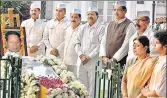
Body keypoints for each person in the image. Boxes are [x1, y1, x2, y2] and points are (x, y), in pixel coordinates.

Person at [74, 7, 105, 98]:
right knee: (81, 85)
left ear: (97, 16)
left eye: (92, 14)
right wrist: (81, 55)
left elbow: (101, 45)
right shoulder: (82, 28)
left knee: (93, 87)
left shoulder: (101, 28)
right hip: (82, 61)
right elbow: (76, 42)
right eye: (88, 14)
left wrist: (88, 57)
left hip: (94, 62)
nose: (90, 16)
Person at [99, 1, 136, 66]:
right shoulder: (109, 24)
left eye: (119, 10)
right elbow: (103, 41)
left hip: (120, 63)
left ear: (125, 11)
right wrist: (104, 56)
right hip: (106, 61)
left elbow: (126, 46)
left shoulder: (130, 25)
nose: (116, 12)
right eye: (114, 10)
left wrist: (114, 59)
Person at [140, 30, 167, 97]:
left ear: (165, 46)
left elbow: (161, 91)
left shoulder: (165, 63)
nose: (154, 45)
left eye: (157, 43)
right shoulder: (158, 58)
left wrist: (146, 93)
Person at [62, 8, 82, 77]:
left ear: (80, 18)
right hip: (65, 61)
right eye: (72, 17)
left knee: (75, 83)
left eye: (76, 17)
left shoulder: (82, 30)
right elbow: (65, 42)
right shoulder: (68, 29)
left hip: (75, 63)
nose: (73, 19)